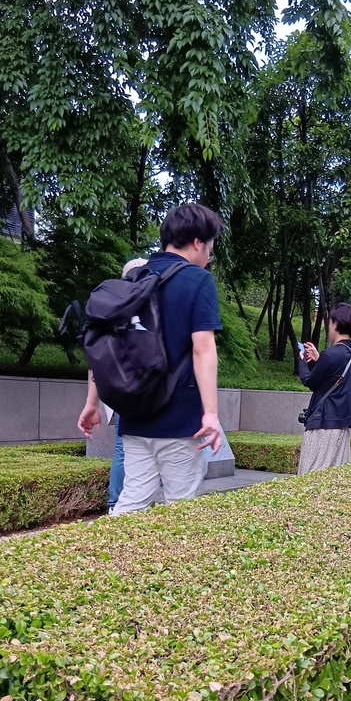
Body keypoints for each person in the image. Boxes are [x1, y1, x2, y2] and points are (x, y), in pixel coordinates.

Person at [109, 203, 223, 514]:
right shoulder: (197, 279)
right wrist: (210, 414)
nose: (209, 256)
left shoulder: (135, 277)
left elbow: (110, 343)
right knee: (181, 507)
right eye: (210, 247)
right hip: (179, 418)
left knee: (132, 499)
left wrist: (93, 403)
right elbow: (202, 348)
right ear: (198, 242)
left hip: (134, 412)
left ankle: (107, 547)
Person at [77, 257, 148, 511]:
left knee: (124, 449)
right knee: (133, 450)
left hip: (120, 393)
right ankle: (120, 503)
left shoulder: (110, 309)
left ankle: (116, 504)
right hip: (141, 394)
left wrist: (92, 402)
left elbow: (98, 360)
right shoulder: (147, 310)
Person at [297, 302, 351, 474]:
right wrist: (319, 359)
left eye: (330, 322)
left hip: (323, 426)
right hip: (341, 426)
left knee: (309, 475)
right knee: (334, 477)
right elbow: (333, 377)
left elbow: (310, 382)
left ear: (336, 323)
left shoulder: (331, 354)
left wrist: (302, 361)